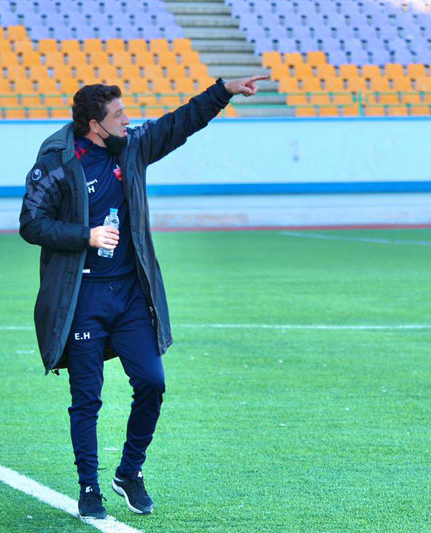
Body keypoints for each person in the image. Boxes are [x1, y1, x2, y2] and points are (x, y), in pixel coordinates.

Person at [19, 76, 264, 519]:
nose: (127, 120)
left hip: (131, 293)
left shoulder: (131, 147)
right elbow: (31, 223)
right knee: (87, 398)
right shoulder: (57, 161)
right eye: (118, 115)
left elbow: (179, 123)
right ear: (95, 125)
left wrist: (224, 91)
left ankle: (129, 472)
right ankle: (89, 487)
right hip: (83, 297)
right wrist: (86, 235)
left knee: (152, 382)